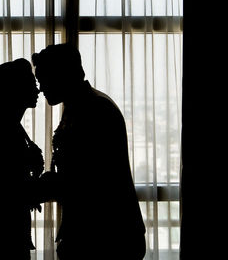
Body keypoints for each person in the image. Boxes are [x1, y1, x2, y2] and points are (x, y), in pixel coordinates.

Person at [32, 44, 146, 259]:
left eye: (44, 79)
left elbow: (91, 180)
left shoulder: (94, 111)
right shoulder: (85, 106)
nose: (40, 88)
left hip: (105, 236)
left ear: (61, 75)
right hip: (102, 233)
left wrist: (47, 185)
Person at [0, 58, 44, 260]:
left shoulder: (10, 126)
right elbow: (12, 187)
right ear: (17, 91)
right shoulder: (8, 130)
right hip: (5, 227)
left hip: (6, 223)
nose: (38, 90)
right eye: (32, 85)